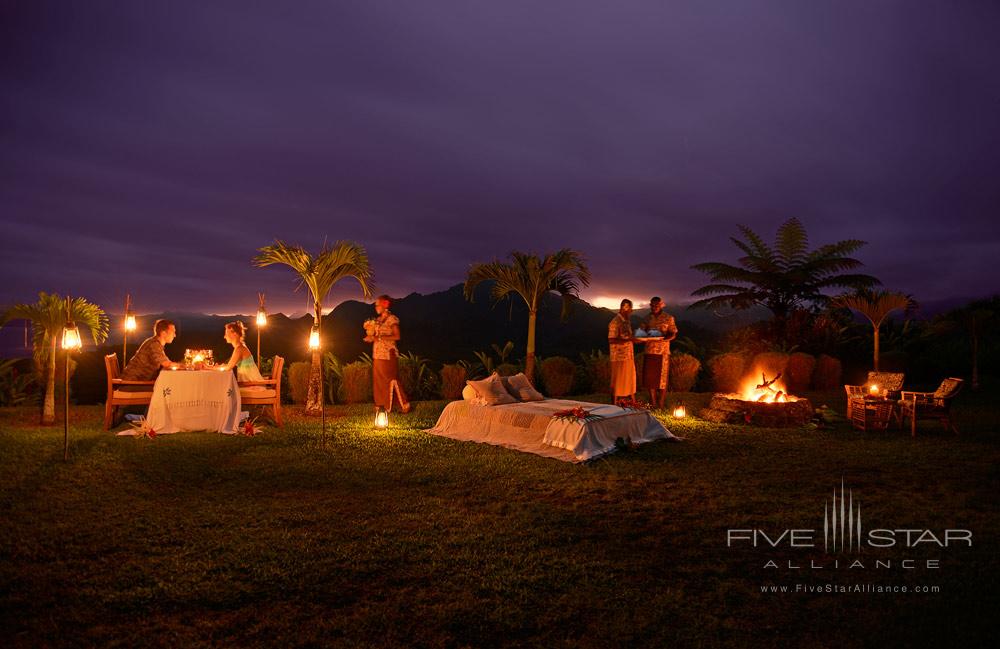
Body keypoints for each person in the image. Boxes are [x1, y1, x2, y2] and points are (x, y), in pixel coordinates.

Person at [363, 295, 412, 413]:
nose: (376, 307)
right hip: (377, 354)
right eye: (375, 305)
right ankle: (382, 404)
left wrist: (378, 337)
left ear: (385, 305)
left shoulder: (392, 319)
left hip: (388, 355)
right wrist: (370, 336)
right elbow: (375, 336)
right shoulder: (377, 321)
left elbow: (397, 336)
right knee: (378, 380)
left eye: (378, 305)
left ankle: (403, 405)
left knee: (390, 379)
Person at [640, 296, 679, 409]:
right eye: (652, 305)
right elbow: (641, 332)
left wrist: (666, 338)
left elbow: (673, 333)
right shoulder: (647, 318)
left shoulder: (669, 318)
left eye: (657, 305)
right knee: (650, 378)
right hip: (649, 350)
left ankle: (661, 402)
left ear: (661, 305)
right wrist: (643, 334)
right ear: (650, 305)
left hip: (663, 352)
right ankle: (653, 402)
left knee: (662, 379)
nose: (654, 307)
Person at [608, 299, 636, 404]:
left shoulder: (626, 321)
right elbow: (611, 340)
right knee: (617, 381)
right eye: (629, 310)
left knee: (629, 379)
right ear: (623, 309)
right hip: (618, 356)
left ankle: (632, 402)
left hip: (628, 355)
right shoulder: (615, 322)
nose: (631, 312)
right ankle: (614, 404)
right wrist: (628, 340)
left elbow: (628, 337)